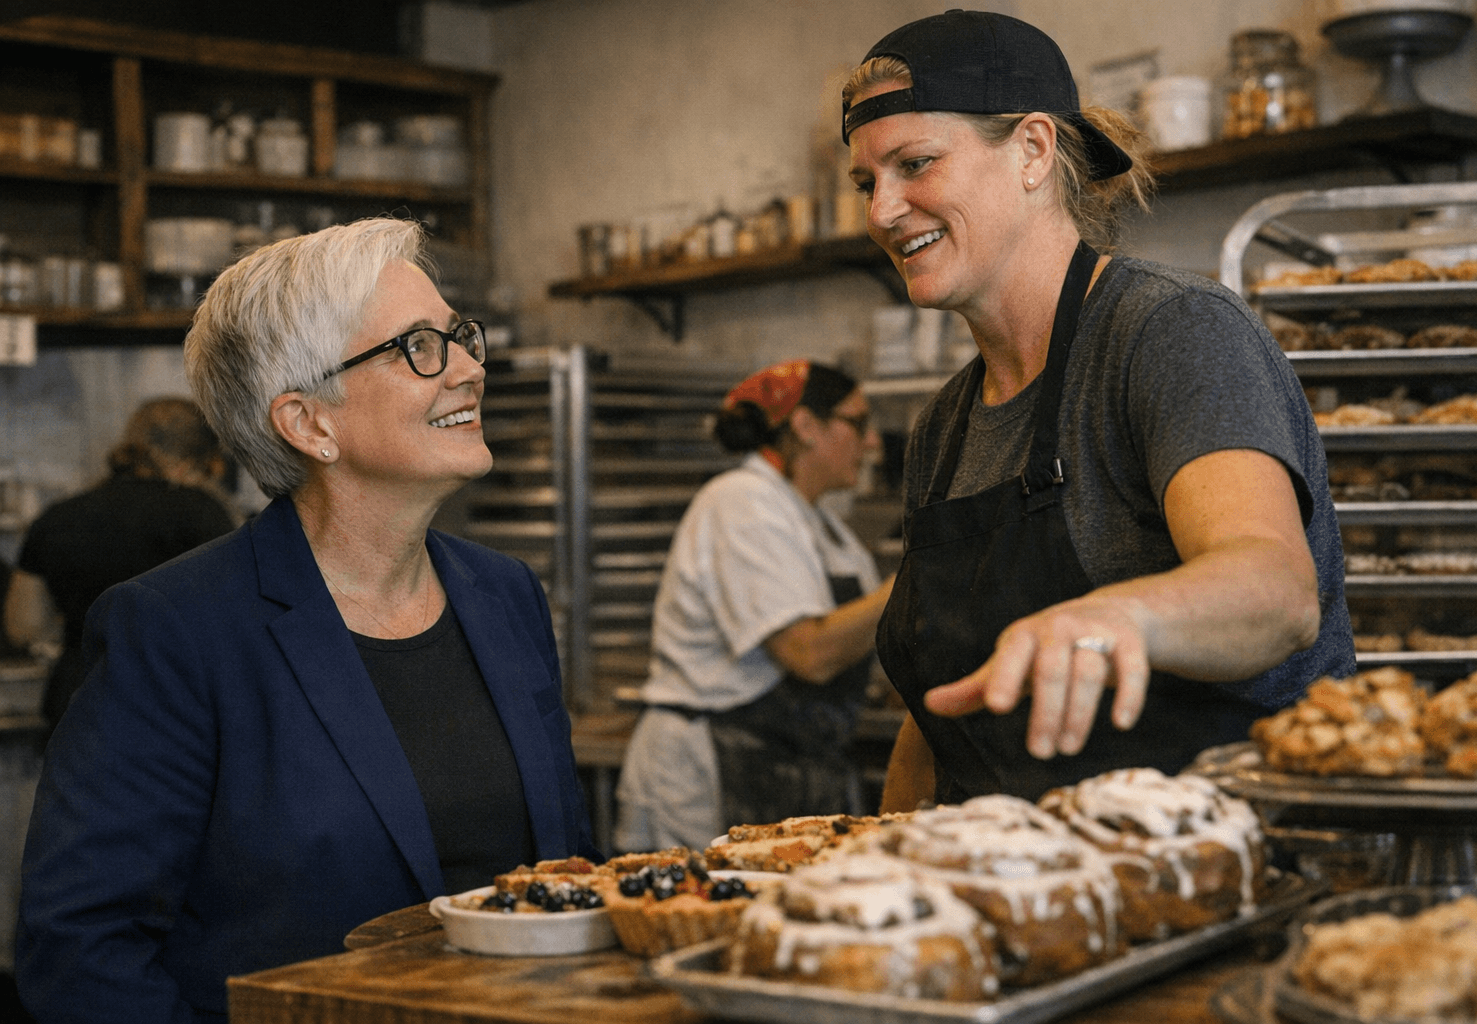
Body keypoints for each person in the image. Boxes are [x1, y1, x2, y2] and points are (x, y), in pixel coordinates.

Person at [16, 217, 597, 1023]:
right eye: (418, 347)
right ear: (307, 423)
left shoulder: (505, 596)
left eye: (461, 337)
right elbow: (81, 949)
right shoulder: (176, 631)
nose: (468, 368)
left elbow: (568, 877)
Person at [840, 11, 1354, 811]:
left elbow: (1275, 591)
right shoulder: (944, 430)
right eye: (868, 183)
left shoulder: (1171, 333)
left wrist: (1115, 617)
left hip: (1241, 878)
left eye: (916, 164)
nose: (882, 211)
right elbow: (936, 717)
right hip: (1030, 894)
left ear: (1034, 152)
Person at [614, 360, 895, 852]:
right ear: (806, 426)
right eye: (859, 424)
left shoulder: (826, 527)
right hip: (708, 768)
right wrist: (908, 582)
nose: (873, 443)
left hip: (780, 761)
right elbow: (807, 652)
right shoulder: (742, 502)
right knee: (696, 918)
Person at [4, 397, 236, 729]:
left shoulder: (58, 518)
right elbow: (233, 616)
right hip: (178, 704)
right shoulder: (204, 514)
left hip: (79, 703)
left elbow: (23, 625)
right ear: (188, 465)